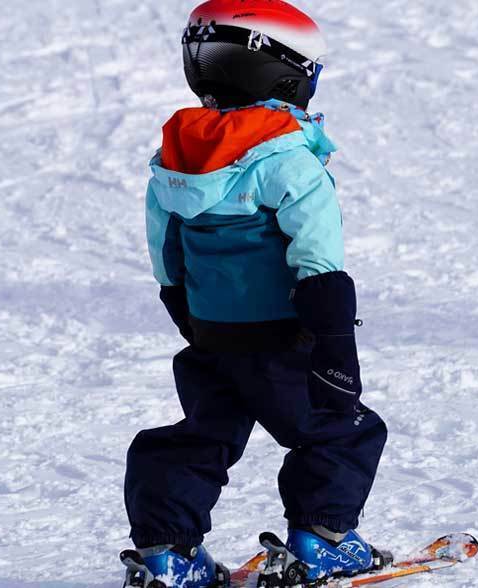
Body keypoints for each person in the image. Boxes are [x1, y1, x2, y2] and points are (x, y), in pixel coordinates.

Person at [119, 2, 389, 586]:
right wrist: (334, 343)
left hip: (212, 335)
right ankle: (323, 540)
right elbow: (318, 259)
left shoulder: (174, 157)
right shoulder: (288, 161)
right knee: (345, 431)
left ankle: (168, 552)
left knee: (201, 436)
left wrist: (187, 311)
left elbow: (164, 248)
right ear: (287, 74)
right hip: (283, 337)